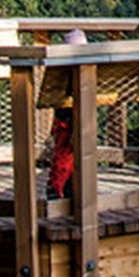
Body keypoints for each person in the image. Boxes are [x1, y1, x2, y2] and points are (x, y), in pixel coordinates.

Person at [46, 29, 87, 200]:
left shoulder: (61, 73)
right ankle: (70, 186)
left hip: (64, 116)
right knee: (72, 152)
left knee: (63, 152)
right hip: (83, 113)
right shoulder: (87, 69)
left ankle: (57, 187)